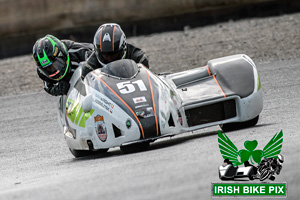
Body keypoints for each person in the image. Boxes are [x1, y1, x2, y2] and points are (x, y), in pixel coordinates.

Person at [81, 23, 149, 77]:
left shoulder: (139, 58)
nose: (110, 59)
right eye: (105, 55)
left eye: (113, 54)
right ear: (97, 52)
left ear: (123, 49)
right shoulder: (89, 68)